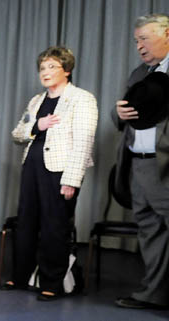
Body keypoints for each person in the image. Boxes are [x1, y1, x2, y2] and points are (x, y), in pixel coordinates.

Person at [4, 46, 98, 301]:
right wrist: (37, 125)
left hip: (60, 171)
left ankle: (52, 281)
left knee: (54, 226)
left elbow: (84, 142)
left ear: (66, 70)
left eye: (52, 67)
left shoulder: (81, 98)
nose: (45, 72)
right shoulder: (36, 101)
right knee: (26, 222)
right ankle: (20, 276)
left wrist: (71, 180)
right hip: (32, 167)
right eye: (42, 68)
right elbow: (17, 134)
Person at [112, 13, 169, 310]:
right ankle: (153, 294)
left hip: (165, 168)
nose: (139, 46)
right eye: (136, 41)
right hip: (138, 165)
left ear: (167, 34)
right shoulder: (139, 74)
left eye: (144, 38)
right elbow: (120, 112)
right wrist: (117, 114)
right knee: (150, 233)